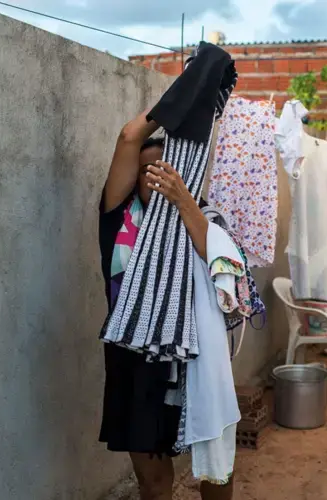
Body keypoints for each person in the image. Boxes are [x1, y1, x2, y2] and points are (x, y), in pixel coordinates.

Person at [98, 108, 235, 500]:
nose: (157, 176)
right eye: (147, 170)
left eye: (167, 170)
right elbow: (128, 136)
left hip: (196, 360)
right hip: (135, 362)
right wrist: (188, 97)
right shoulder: (120, 219)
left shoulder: (207, 220)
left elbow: (223, 269)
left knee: (216, 473)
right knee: (155, 483)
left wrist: (183, 201)